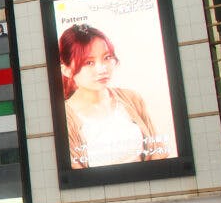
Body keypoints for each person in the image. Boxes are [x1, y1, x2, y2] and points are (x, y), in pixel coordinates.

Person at [58, 23, 167, 169]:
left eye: (107, 57)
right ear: (67, 70)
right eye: (89, 62)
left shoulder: (131, 98)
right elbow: (76, 175)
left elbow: (158, 150)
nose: (102, 69)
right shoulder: (64, 117)